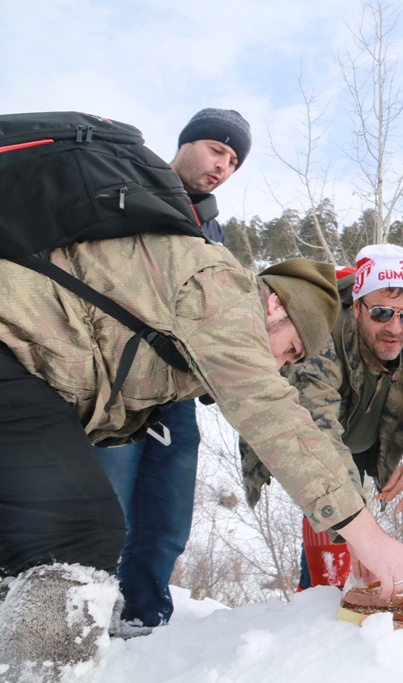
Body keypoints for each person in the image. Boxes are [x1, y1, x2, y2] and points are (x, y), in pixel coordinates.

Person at [0, 235, 403, 676]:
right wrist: (370, 538)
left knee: (24, 550)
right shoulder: (223, 294)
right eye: (291, 349)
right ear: (276, 307)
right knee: (79, 537)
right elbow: (273, 415)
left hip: (28, 373)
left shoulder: (210, 316)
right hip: (13, 348)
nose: (281, 364)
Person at [92, 107, 250, 632]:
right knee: (105, 505)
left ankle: (144, 616)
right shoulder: (128, 188)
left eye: (232, 160)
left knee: (167, 516)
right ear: (186, 144)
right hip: (117, 383)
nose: (222, 165)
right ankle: (86, 613)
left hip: (178, 398)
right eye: (215, 150)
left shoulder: (214, 231)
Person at [242, 243, 403, 586]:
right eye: (381, 313)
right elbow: (315, 442)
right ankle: (317, 604)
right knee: (331, 547)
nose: (396, 329)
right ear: (356, 307)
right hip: (314, 442)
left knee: (358, 548)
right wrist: (361, 531)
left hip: (366, 446)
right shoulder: (317, 335)